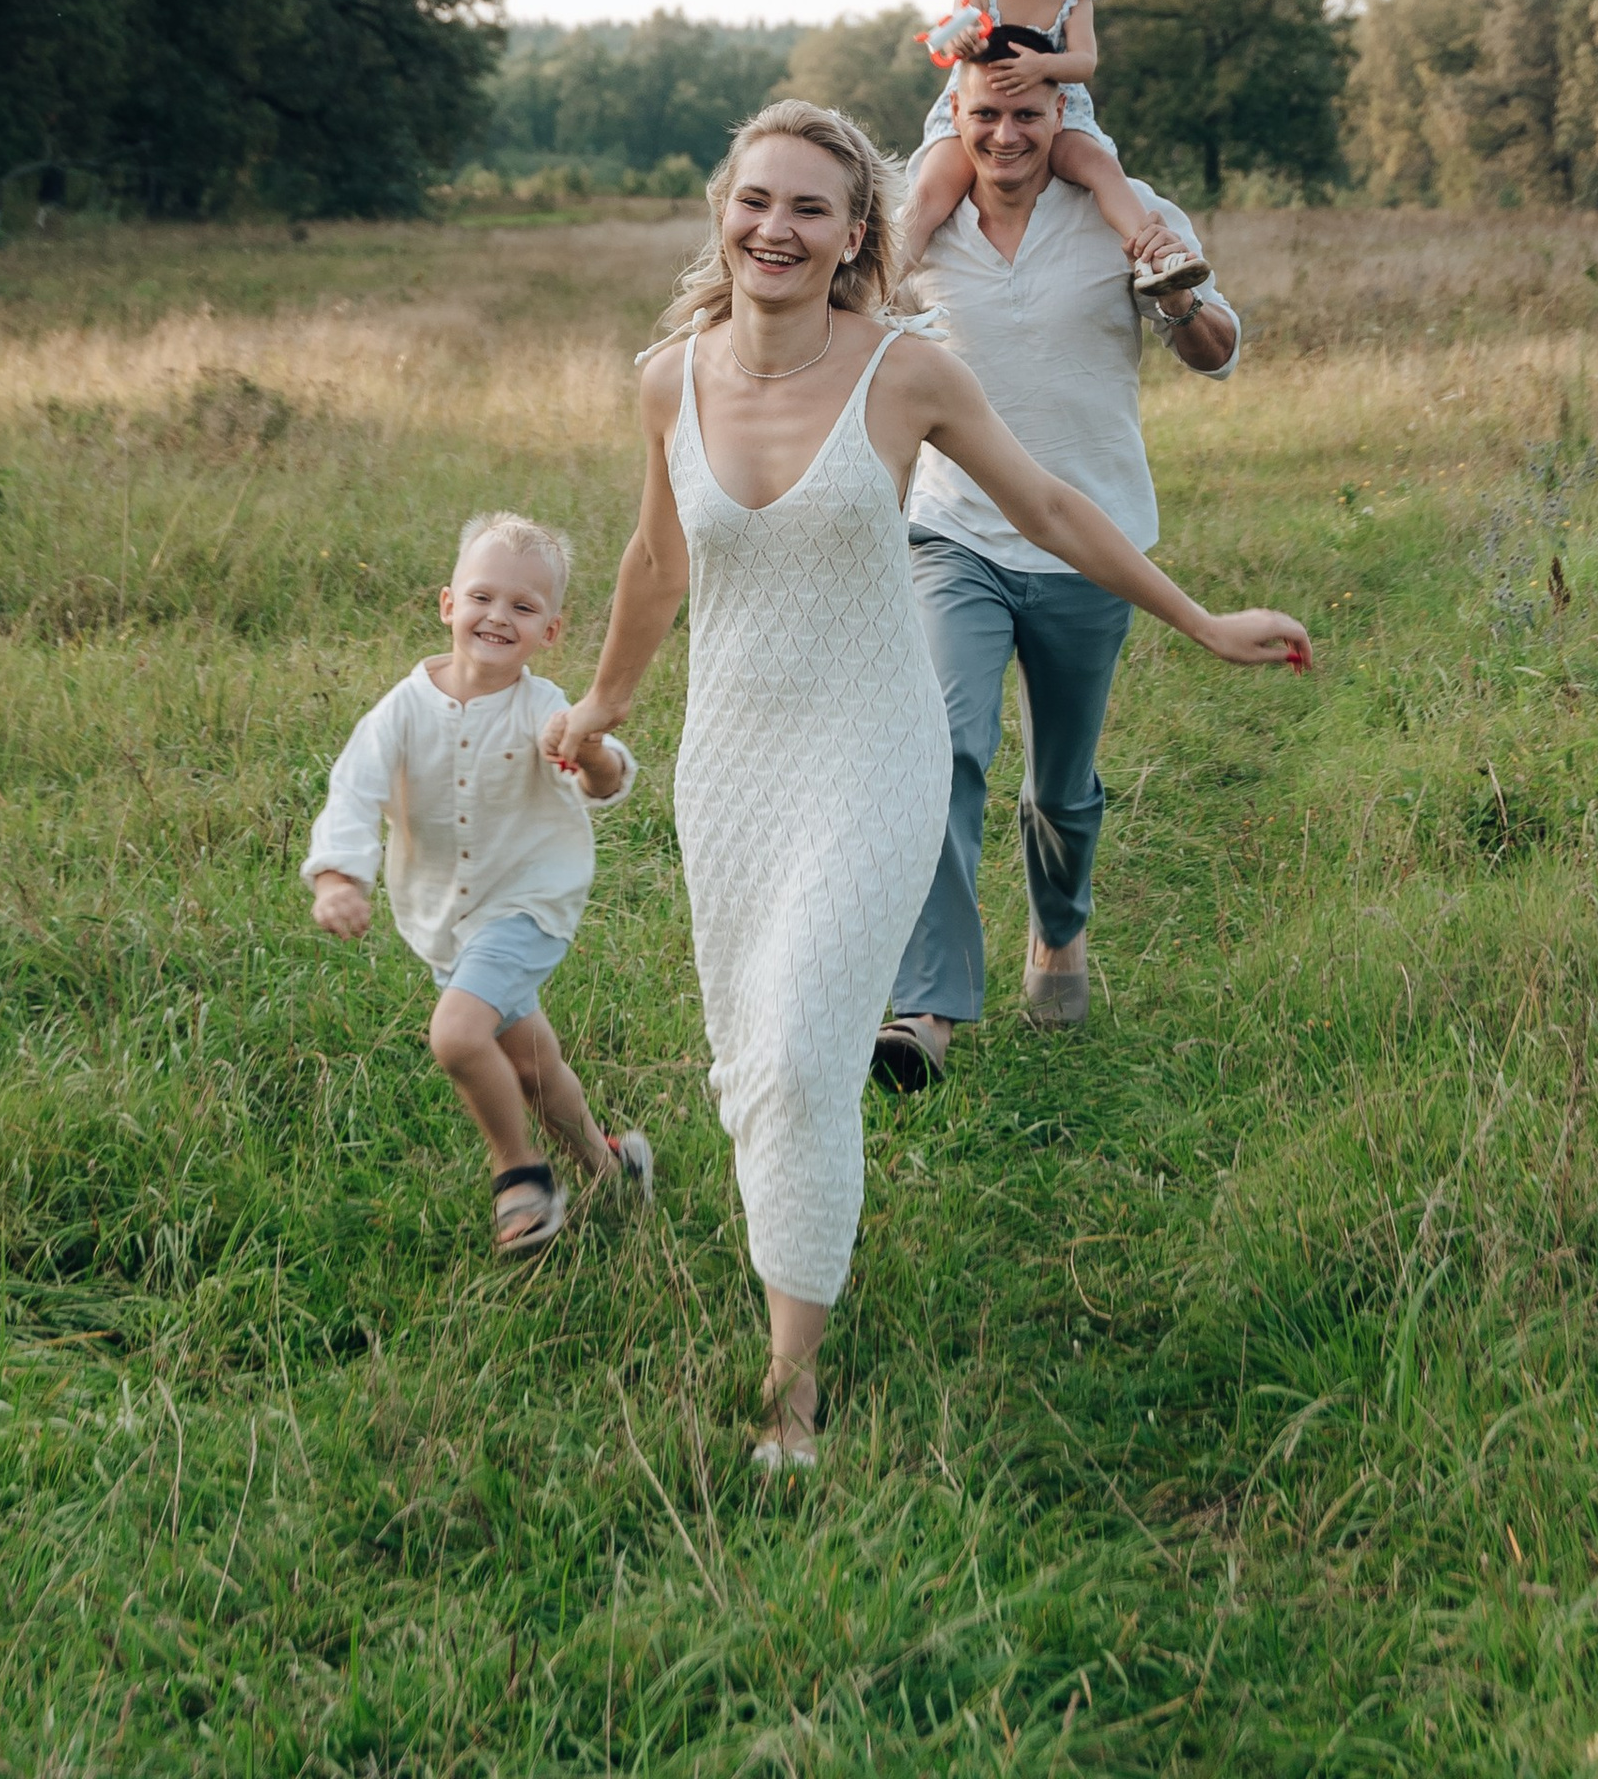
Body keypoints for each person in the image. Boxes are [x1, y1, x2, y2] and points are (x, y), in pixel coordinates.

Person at [550, 98, 1310, 1470]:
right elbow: (656, 562)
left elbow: (1054, 509)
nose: (774, 229)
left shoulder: (907, 371)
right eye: (754, 201)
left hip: (870, 754)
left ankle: (791, 1387)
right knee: (750, 1064)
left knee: (798, 1054)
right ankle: (798, 1255)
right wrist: (602, 702)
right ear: (723, 212)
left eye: (809, 209)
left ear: (856, 237)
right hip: (730, 766)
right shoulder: (670, 377)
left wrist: (1199, 621)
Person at [875, 61, 1245, 1081]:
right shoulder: (923, 222)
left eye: (1025, 114)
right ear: (953, 118)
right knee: (945, 746)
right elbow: (841, 319)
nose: (1004, 135)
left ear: (1060, 115)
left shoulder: (1122, 213)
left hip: (1092, 536)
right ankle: (930, 1005)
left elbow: (1218, 349)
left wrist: (1171, 301)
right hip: (954, 533)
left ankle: (1059, 927)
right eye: (983, 114)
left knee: (1060, 785)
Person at [304, 509, 653, 1258]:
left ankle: (520, 1175)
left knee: (458, 1035)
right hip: (444, 919)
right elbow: (354, 795)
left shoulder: (543, 709)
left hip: (529, 903)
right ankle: (608, 1166)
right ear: (448, 604)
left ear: (550, 632)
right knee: (532, 1064)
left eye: (524, 608)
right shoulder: (399, 712)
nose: (499, 617)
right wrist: (339, 878)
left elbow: (611, 774)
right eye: (483, 598)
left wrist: (586, 751)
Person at [898, 0, 1204, 299]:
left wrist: (1042, 66)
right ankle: (881, 283)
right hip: (974, 112)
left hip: (1055, 111)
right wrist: (959, 42)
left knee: (1101, 168)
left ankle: (1155, 257)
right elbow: (944, 40)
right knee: (931, 193)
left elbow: (1084, 62)